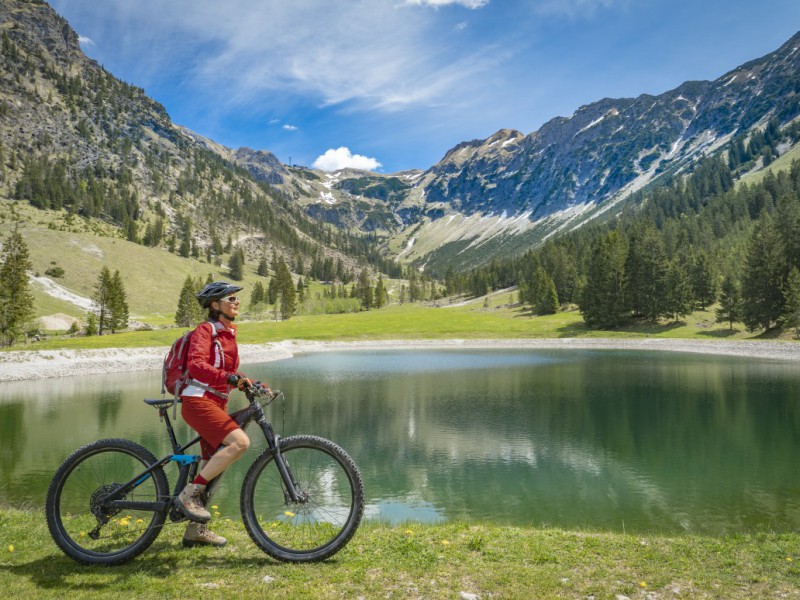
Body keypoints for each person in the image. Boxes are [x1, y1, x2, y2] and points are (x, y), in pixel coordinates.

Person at [174, 280, 257, 548]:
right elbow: (197, 365)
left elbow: (228, 372)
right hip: (197, 401)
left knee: (213, 468)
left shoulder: (228, 334)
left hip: (216, 403)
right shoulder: (205, 330)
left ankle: (194, 530)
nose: (236, 302)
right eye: (230, 298)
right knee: (240, 443)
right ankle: (188, 495)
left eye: (236, 299)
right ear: (215, 304)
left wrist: (249, 382)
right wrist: (230, 378)